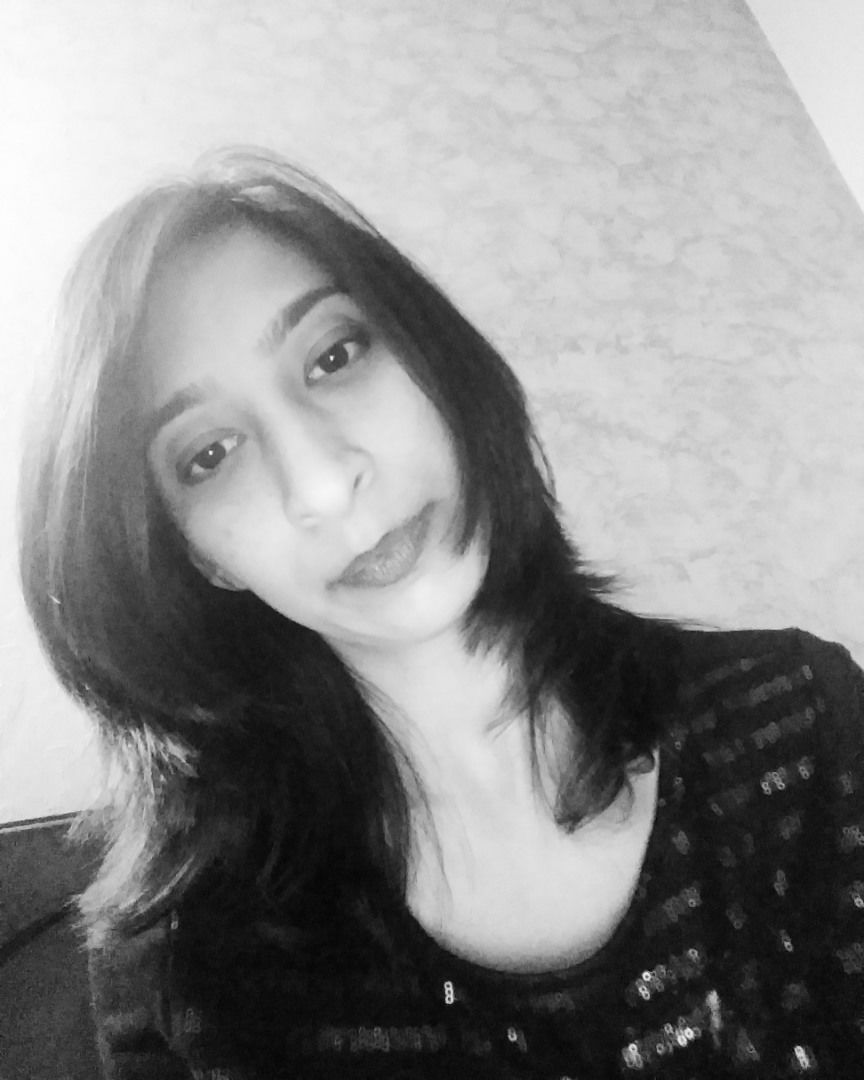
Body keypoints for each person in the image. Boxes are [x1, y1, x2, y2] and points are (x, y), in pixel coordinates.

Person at [18, 148, 864, 1078]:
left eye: (333, 356)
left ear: (428, 357)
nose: (325, 483)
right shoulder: (195, 965)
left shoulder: (803, 720)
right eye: (209, 454)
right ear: (197, 554)